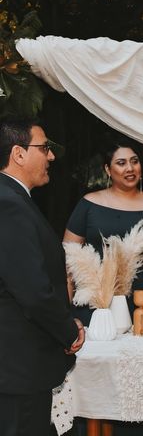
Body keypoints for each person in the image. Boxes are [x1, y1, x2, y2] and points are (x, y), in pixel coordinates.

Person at [0, 118, 84, 435]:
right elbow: (31, 291)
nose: (50, 156)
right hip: (16, 371)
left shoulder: (15, 200)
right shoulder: (8, 204)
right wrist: (67, 330)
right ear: (19, 153)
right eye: (44, 147)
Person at [64, 137, 143, 329]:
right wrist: (64, 311)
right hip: (98, 305)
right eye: (121, 163)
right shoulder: (88, 204)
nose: (130, 168)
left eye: (134, 161)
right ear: (108, 170)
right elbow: (68, 259)